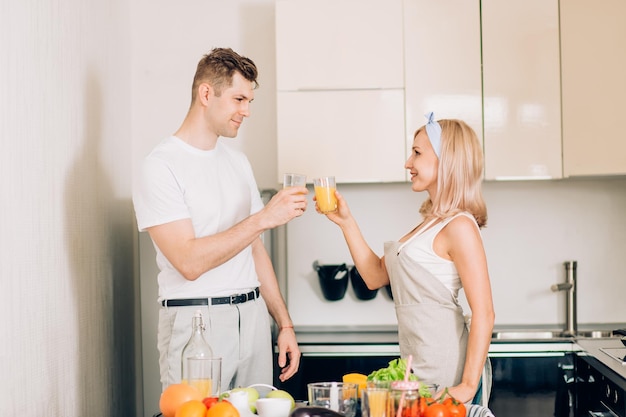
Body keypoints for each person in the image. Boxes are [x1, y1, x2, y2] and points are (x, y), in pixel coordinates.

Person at [133, 47, 306, 391]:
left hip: (253, 317)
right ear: (206, 93)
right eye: (239, 99)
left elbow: (253, 248)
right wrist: (263, 219)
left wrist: (283, 324)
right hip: (197, 320)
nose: (247, 111)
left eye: (250, 101)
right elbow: (188, 262)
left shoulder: (237, 162)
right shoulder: (160, 166)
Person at [318, 113, 495, 404]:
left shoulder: (459, 226)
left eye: (416, 153)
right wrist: (346, 222)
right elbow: (375, 277)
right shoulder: (430, 223)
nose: (407, 163)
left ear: (446, 159)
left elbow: (485, 313)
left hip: (446, 368)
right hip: (418, 364)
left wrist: (466, 384)